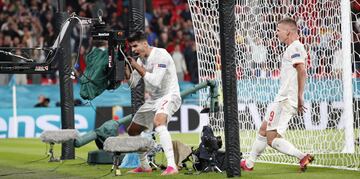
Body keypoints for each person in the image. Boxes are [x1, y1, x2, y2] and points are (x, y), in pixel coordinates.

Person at [240, 17, 313, 172]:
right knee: (263, 129)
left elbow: (302, 70)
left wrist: (300, 97)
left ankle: (302, 156)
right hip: (282, 98)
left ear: (288, 32)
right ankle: (249, 163)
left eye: (278, 30)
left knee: (271, 138)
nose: (276, 33)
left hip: (286, 100)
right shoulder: (293, 48)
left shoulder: (295, 47)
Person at [124, 31, 181, 175]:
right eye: (132, 47)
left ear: (145, 43)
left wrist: (136, 66)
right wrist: (126, 69)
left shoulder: (161, 54)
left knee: (159, 122)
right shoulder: (140, 60)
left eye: (135, 46)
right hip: (153, 100)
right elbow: (132, 84)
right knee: (133, 130)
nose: (134, 50)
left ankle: (172, 166)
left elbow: (155, 82)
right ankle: (144, 166)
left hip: (170, 95)